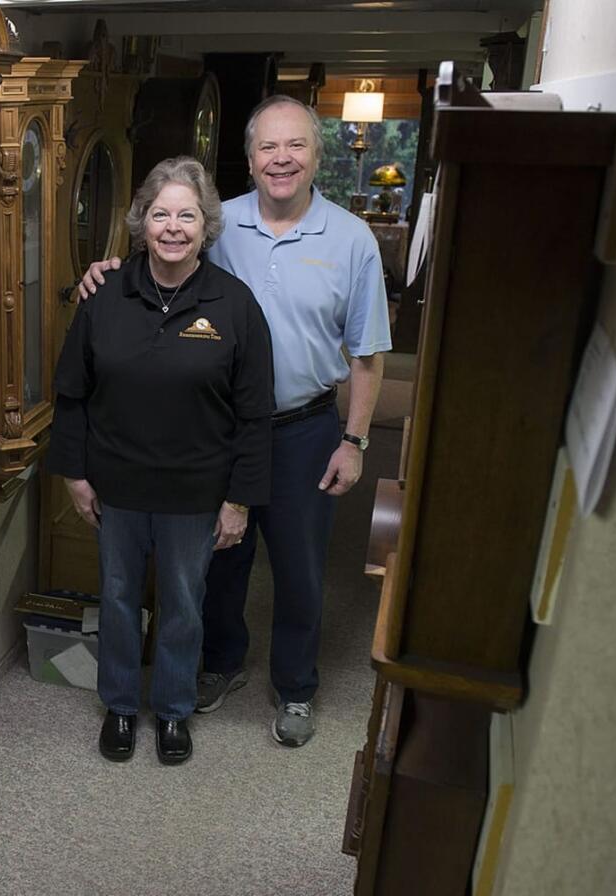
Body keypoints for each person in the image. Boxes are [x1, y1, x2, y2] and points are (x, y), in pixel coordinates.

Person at [80, 96, 390, 747]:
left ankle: (296, 688)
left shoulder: (352, 239)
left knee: (301, 567)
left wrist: (354, 441)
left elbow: (367, 355)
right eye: (268, 147)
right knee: (220, 560)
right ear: (249, 159)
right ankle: (219, 665)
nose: (281, 159)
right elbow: (163, 265)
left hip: (307, 429)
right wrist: (105, 272)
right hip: (217, 429)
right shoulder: (219, 226)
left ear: (316, 154)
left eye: (296, 146)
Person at [48, 156, 273, 765]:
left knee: (182, 604)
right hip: (117, 486)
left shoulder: (234, 304)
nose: (173, 227)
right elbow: (71, 392)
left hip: (197, 493)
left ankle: (173, 711)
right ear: (140, 221)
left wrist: (239, 501)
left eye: (187, 215)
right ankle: (120, 706)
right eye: (160, 213)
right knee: (118, 598)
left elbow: (255, 415)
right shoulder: (105, 295)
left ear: (207, 227)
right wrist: (75, 474)